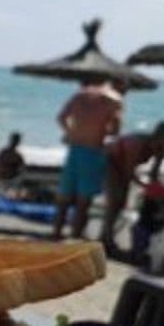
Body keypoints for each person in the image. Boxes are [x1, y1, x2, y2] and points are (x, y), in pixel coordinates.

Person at [51, 79, 122, 240]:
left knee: (64, 195)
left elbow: (61, 117)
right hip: (93, 150)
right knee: (84, 199)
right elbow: (115, 128)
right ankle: (75, 234)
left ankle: (56, 232)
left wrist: (71, 132)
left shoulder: (80, 95)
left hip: (74, 147)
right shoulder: (114, 99)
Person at [100, 122, 164, 252]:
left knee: (121, 201)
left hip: (123, 165)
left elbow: (154, 173)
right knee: (115, 200)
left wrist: (156, 190)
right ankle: (105, 239)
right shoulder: (137, 143)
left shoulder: (160, 148)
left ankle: (107, 236)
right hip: (108, 159)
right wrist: (145, 185)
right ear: (157, 136)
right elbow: (128, 172)